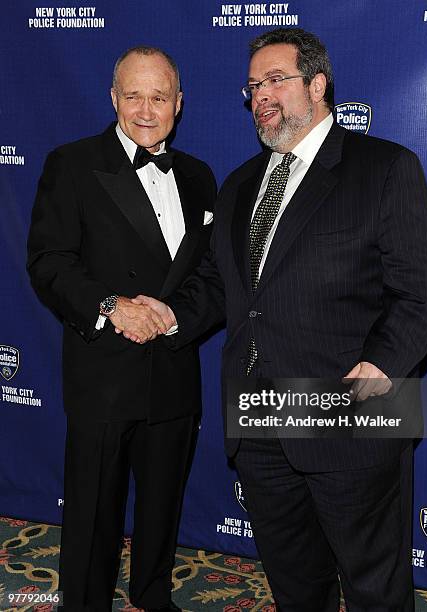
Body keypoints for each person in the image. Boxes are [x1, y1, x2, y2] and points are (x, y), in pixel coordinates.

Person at [126, 29, 427, 611]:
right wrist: (170, 315)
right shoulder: (243, 183)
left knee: (375, 588)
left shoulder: (385, 168)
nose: (262, 96)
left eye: (276, 80)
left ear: (318, 85)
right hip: (261, 424)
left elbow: (419, 295)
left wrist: (377, 372)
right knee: (297, 585)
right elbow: (225, 286)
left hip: (354, 417)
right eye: (253, 87)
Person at [27, 46, 216, 611]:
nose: (145, 109)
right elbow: (49, 261)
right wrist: (113, 306)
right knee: (92, 513)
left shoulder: (201, 177)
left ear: (178, 105)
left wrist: (174, 318)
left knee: (162, 505)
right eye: (133, 95)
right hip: (104, 372)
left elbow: (212, 273)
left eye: (159, 97)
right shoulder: (73, 163)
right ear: (113, 98)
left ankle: (152, 592)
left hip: (173, 368)